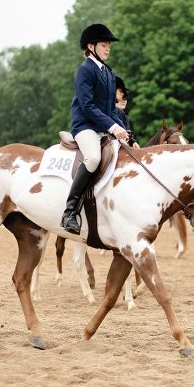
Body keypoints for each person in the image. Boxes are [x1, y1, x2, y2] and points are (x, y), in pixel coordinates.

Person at [60, 24, 129, 235]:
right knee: (93, 158)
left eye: (109, 45)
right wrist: (112, 126)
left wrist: (127, 133)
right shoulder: (85, 71)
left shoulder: (108, 73)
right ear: (91, 46)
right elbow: (87, 106)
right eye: (104, 45)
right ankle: (70, 211)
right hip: (85, 126)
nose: (108, 49)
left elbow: (110, 109)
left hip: (102, 126)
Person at [115, 76, 139, 148]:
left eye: (125, 98)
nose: (124, 100)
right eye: (122, 98)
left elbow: (127, 132)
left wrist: (133, 141)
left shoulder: (126, 118)